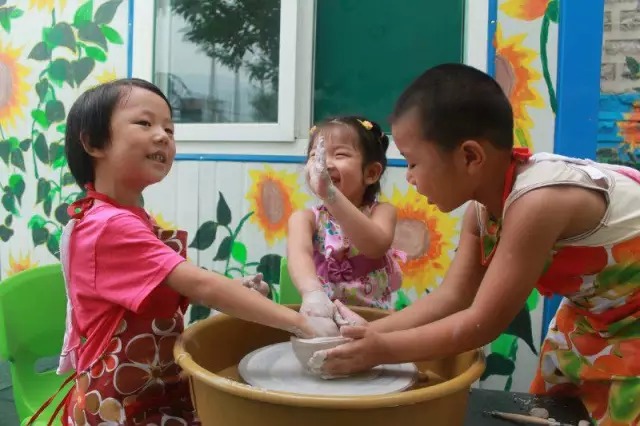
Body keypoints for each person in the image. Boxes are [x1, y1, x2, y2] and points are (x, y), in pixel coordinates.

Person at [318, 64, 640, 425]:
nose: (409, 178)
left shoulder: (539, 202)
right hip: (592, 319)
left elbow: (483, 322)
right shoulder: (480, 210)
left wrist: (382, 351)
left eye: (413, 163)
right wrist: (368, 333)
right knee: (561, 414)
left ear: (470, 157)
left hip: (633, 325)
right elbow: (453, 298)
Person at [41, 78, 340, 425]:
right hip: (117, 402)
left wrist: (238, 289)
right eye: (144, 123)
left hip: (149, 385)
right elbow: (200, 285)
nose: (163, 136)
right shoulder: (108, 225)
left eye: (169, 127)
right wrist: (302, 324)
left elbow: (172, 286)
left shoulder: (131, 218)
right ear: (93, 142)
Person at [287, 116, 405, 322]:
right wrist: (312, 293)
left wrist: (331, 195)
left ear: (371, 173)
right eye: (315, 155)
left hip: (374, 323)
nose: (324, 163)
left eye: (340, 154)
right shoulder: (305, 219)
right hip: (325, 318)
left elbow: (375, 246)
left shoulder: (382, 212)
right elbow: (299, 257)